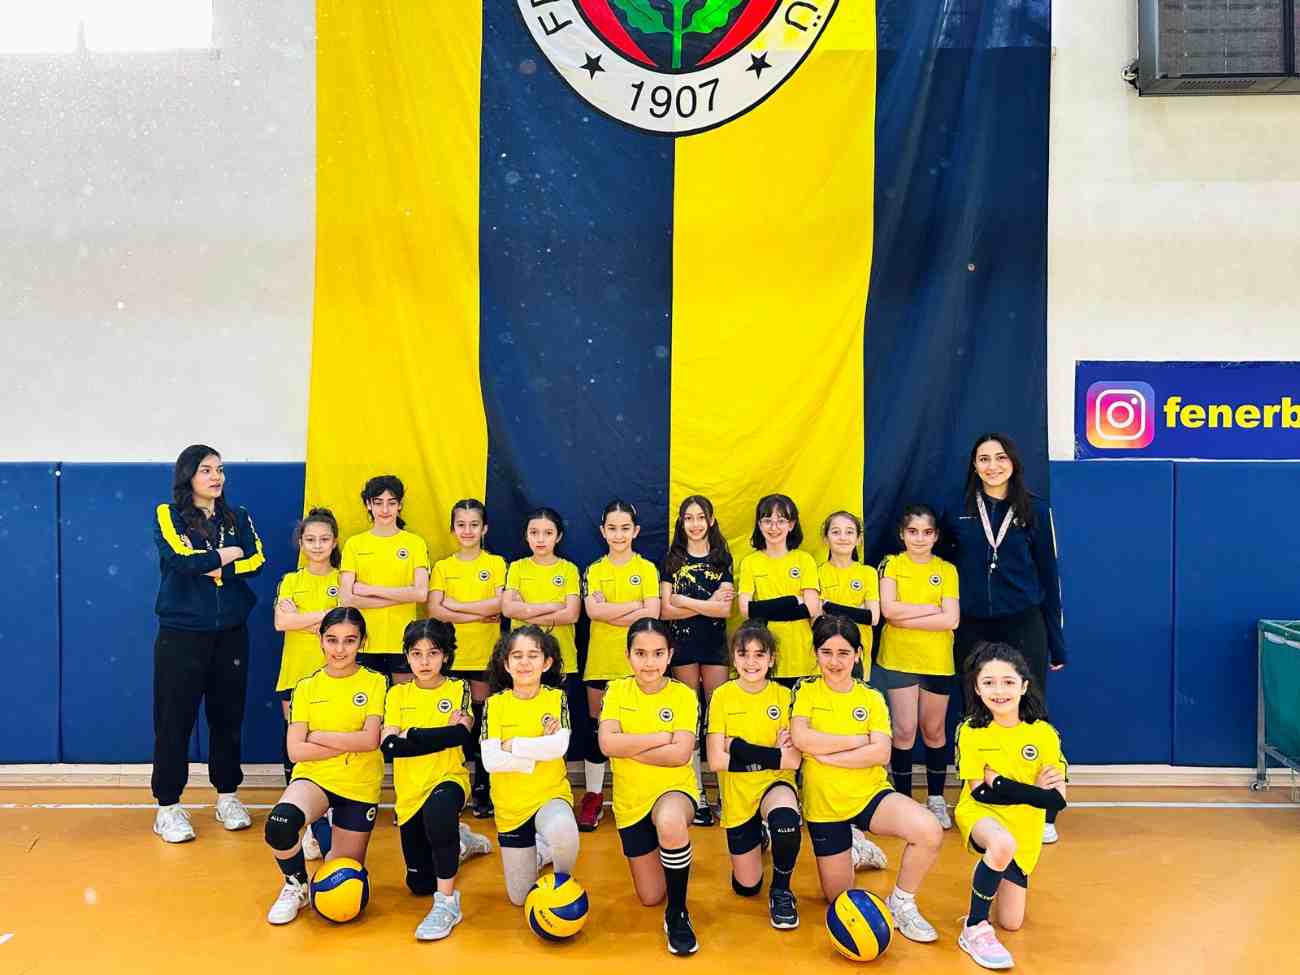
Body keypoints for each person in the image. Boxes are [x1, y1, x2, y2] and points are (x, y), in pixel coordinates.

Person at [942, 433, 1066, 842]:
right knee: (974, 710)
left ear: (1013, 463)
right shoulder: (957, 511)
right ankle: (978, 797)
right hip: (973, 624)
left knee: (1032, 711)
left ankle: (1043, 808)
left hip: (1023, 621)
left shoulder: (1036, 510)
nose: (992, 466)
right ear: (974, 466)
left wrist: (1056, 640)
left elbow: (1050, 576)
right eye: (983, 459)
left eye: (999, 458)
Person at [791, 614, 942, 944]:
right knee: (839, 899)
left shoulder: (871, 697)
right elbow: (801, 738)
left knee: (928, 830)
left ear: (858, 655)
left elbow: (881, 753)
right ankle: (856, 850)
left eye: (843, 653)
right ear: (815, 653)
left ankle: (901, 903)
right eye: (826, 652)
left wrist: (827, 755)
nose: (834, 662)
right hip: (825, 807)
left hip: (870, 794)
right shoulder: (806, 691)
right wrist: (859, 740)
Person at [151, 444, 265, 843]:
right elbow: (182, 560)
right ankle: (168, 806)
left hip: (231, 633)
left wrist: (216, 566)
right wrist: (227, 555)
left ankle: (228, 797)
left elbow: (256, 560)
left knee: (228, 717)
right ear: (188, 476)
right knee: (174, 720)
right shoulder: (168, 515)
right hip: (181, 635)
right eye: (206, 470)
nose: (216, 477)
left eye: (219, 469)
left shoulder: (239, 516)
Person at [264, 608, 385, 925]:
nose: (339, 649)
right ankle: (296, 885)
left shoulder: (375, 682)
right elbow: (295, 751)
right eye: (332, 640)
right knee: (280, 824)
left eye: (349, 640)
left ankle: (322, 832)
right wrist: (349, 742)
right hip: (314, 777)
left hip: (358, 784)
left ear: (362, 642)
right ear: (320, 640)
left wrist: (318, 736)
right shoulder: (305, 687)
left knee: (342, 875)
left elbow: (370, 741)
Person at [954, 642, 1067, 970]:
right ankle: (974, 927)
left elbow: (1056, 800)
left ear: (1024, 686)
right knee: (1001, 843)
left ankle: (991, 866)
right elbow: (980, 794)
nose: (999, 691)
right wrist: (1032, 791)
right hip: (981, 815)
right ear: (977, 688)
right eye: (988, 682)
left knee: (1012, 922)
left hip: (1025, 829)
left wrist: (1000, 782)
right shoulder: (971, 731)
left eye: (1008, 682)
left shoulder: (1044, 734)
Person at [381, 619, 492, 941]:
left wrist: (411, 734)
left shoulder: (458, 688)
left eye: (432, 653)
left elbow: (460, 735)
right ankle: (462, 841)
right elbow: (389, 748)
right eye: (416, 654)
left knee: (439, 812)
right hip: (410, 794)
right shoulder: (397, 694)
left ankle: (447, 903)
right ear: (407, 656)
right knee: (419, 884)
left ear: (445, 655)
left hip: (449, 779)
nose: (424, 661)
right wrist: (439, 735)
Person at [598, 619, 701, 955]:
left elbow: (680, 755)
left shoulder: (683, 695)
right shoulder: (616, 690)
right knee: (650, 896)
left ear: (670, 655)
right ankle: (670, 852)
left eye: (658, 653)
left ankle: (678, 913)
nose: (649, 662)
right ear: (628, 656)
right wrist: (659, 737)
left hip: (674, 790)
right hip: (630, 802)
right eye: (640, 653)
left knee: (670, 821)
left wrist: (629, 747)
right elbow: (607, 744)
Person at [704, 622, 802, 929]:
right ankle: (759, 834)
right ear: (733, 658)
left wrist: (738, 747)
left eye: (760, 654)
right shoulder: (722, 696)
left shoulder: (785, 696)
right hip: (737, 794)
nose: (751, 662)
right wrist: (771, 755)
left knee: (786, 822)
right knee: (746, 887)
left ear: (771, 659)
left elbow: (792, 760)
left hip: (776, 784)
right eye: (743, 654)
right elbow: (716, 760)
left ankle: (782, 891)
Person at [480, 626, 580, 906]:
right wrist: (538, 749)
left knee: (563, 830)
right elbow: (491, 761)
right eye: (517, 656)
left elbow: (559, 747)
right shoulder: (495, 704)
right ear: (506, 664)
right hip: (511, 808)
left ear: (546, 663)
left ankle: (562, 884)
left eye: (533, 655)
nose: (525, 662)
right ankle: (540, 852)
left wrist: (512, 745)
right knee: (520, 899)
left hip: (550, 795)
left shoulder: (556, 698)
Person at [878, 505, 960, 829]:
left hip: (937, 661)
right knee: (904, 731)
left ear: (936, 536)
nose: (920, 538)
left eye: (927, 532)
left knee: (934, 730)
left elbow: (951, 619)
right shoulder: (892, 564)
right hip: (899, 659)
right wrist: (930, 609)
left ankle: (936, 799)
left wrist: (906, 615)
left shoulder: (947, 570)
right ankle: (903, 800)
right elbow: (888, 611)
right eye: (913, 532)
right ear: (902, 534)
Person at [580, 500, 661, 831]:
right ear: (603, 531)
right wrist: (635, 606)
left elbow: (652, 613)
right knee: (598, 728)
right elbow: (593, 612)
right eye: (612, 528)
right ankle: (594, 796)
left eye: (625, 528)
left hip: (639, 664)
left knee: (636, 729)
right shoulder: (594, 570)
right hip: (601, 662)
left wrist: (611, 610)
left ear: (635, 531)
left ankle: (639, 794)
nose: (618, 534)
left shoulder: (647, 569)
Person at [500, 507, 583, 820]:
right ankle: (526, 793)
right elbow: (509, 609)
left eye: (548, 533)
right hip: (523, 666)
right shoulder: (518, 568)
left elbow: (571, 613)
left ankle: (556, 793)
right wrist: (551, 606)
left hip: (563, 664)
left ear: (558, 536)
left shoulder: (569, 569)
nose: (541, 539)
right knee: (525, 726)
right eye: (534, 532)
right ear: (526, 536)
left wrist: (528, 610)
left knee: (556, 730)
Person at [427, 499, 507, 820]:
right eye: (461, 524)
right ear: (452, 529)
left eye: (474, 524)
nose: (468, 530)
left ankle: (482, 786)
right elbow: (435, 610)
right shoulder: (443, 567)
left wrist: (456, 607)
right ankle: (451, 786)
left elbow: (500, 605)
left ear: (484, 528)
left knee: (483, 723)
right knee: (454, 722)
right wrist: (479, 611)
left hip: (485, 656)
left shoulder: (497, 563)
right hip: (453, 656)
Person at [273, 506, 342, 859]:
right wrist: (321, 618)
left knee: (330, 745)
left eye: (324, 539)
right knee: (298, 746)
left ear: (334, 542)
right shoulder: (290, 580)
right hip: (295, 675)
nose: (317, 545)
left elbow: (342, 624)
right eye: (310, 539)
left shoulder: (343, 580)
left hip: (334, 677)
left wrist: (303, 617)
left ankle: (331, 820)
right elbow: (281, 622)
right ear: (300, 543)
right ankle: (306, 825)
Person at [660, 494, 734, 825]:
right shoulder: (672, 560)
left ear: (711, 520)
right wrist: (707, 604)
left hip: (714, 645)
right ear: (681, 522)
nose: (695, 524)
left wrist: (684, 600)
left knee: (717, 716)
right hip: (683, 646)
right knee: (690, 715)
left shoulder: (721, 558)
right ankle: (697, 793)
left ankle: (725, 793)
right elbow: (665, 610)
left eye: (700, 517)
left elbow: (725, 610)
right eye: (688, 518)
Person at [339, 474, 430, 681]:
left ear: (400, 505)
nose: (385, 509)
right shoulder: (354, 544)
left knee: (403, 699)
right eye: (378, 503)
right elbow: (346, 599)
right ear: (368, 505)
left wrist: (369, 590)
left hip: (403, 640)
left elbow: (421, 594)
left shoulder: (415, 543)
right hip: (364, 641)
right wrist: (402, 596)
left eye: (391, 502)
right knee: (367, 700)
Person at [737, 494, 820, 686]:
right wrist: (793, 600)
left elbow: (811, 608)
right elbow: (745, 610)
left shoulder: (804, 560)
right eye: (767, 521)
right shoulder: (750, 562)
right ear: (759, 525)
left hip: (802, 656)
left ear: (791, 525)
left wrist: (762, 609)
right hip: (765, 656)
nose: (773, 527)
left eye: (781, 521)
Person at [817, 511, 880, 652]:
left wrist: (828, 606)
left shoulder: (868, 573)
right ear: (826, 539)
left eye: (849, 532)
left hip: (858, 653)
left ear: (858, 539)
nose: (843, 538)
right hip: (826, 653)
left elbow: (873, 618)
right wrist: (858, 611)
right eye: (836, 532)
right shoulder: (817, 573)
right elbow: (817, 619)